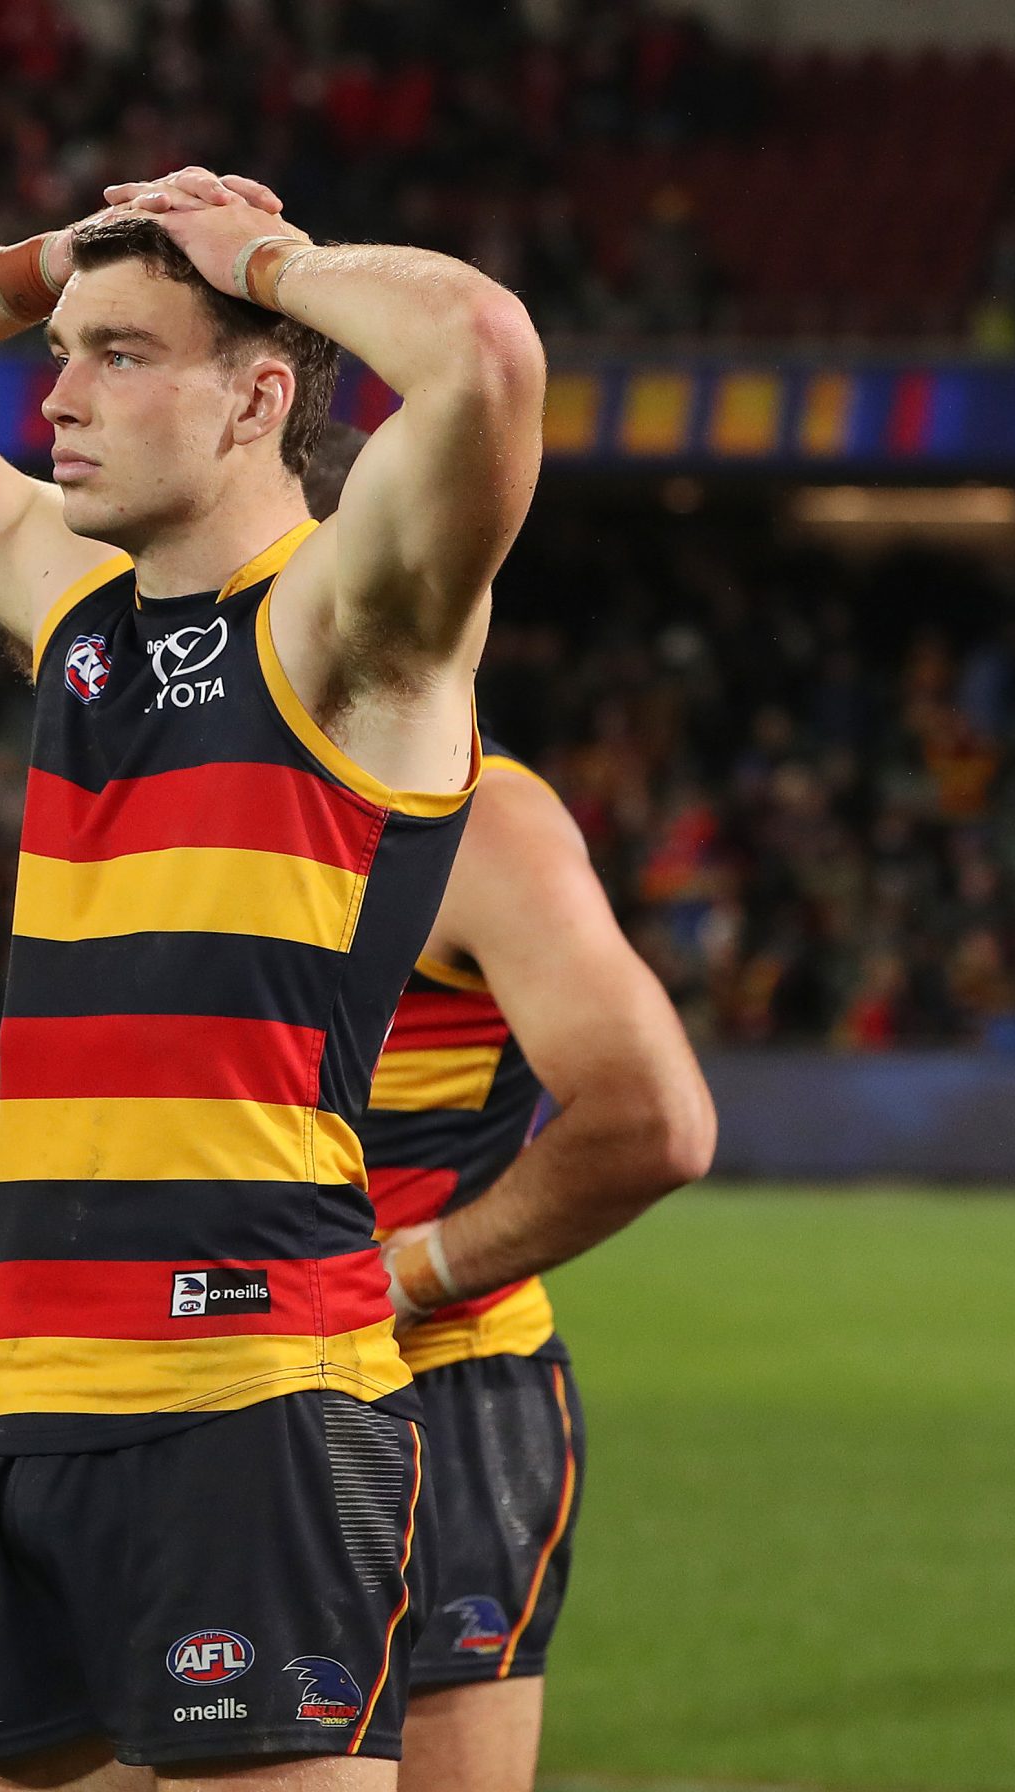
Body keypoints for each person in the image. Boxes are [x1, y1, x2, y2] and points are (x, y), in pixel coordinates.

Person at [0, 167, 544, 1787]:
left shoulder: (350, 627)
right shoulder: (80, 609)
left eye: (120, 353)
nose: (57, 398)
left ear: (260, 396)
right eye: (65, 354)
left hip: (253, 1387)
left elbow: (480, 345)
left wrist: (264, 258)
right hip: (34, 1386)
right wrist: (50, 259)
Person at [361, 747, 715, 1792]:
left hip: (433, 1389)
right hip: (199, 1380)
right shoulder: (187, 789)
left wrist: (413, 1271)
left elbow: (654, 1120)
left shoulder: (478, 819)